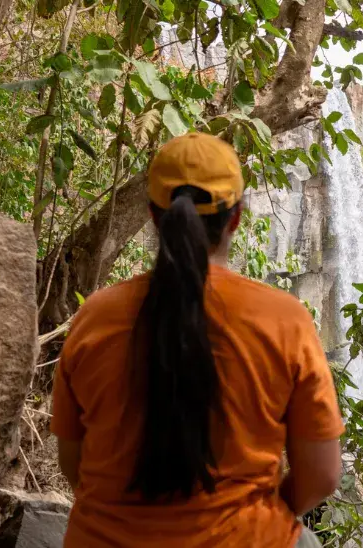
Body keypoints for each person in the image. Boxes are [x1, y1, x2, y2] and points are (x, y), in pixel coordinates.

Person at [50, 132, 344, 547]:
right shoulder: (285, 320)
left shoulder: (94, 317)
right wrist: (258, 517)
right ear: (236, 218)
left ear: (154, 216)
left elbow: (73, 465)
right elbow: (322, 475)